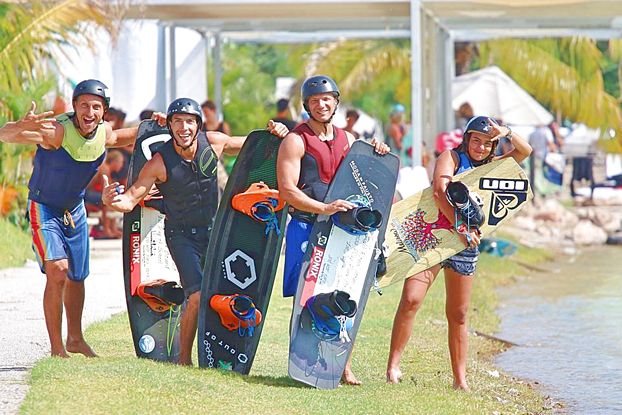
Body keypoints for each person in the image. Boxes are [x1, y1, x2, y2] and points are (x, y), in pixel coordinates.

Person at [102, 98, 288, 366]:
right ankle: (184, 359)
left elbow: (252, 146)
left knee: (222, 294)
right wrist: (110, 200)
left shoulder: (213, 143)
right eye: (177, 121)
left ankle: (219, 351)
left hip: (215, 232)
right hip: (181, 236)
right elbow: (130, 199)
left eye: (190, 122)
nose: (184, 128)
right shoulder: (159, 163)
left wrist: (275, 134)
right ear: (170, 126)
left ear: (198, 124)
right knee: (198, 295)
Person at [386, 115, 532, 390]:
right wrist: (461, 226)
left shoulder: (493, 169)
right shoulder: (451, 157)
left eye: (487, 143)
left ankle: (459, 379)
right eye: (476, 140)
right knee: (411, 300)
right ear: (466, 140)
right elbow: (441, 191)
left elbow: (525, 152)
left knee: (459, 314)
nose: (480, 147)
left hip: (464, 247)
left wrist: (506, 132)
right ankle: (393, 367)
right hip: (433, 237)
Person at [9, 79, 153, 358]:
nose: (90, 112)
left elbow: (131, 135)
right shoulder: (55, 132)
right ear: (74, 106)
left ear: (104, 112)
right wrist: (19, 125)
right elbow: (6, 135)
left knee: (77, 276)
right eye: (84, 105)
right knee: (58, 270)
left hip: (74, 210)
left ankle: (75, 339)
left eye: (96, 107)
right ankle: (56, 348)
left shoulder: (105, 134)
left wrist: (160, 122)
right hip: (45, 206)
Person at [277, 75, 390, 386]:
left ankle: (342, 366)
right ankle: (303, 360)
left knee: (344, 292)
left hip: (339, 228)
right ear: (307, 106)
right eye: (315, 101)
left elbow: (366, 177)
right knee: (307, 295)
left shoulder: (349, 140)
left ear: (336, 101)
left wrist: (377, 150)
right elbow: (286, 190)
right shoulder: (295, 141)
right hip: (306, 224)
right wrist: (322, 208)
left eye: (327, 99)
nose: (321, 104)